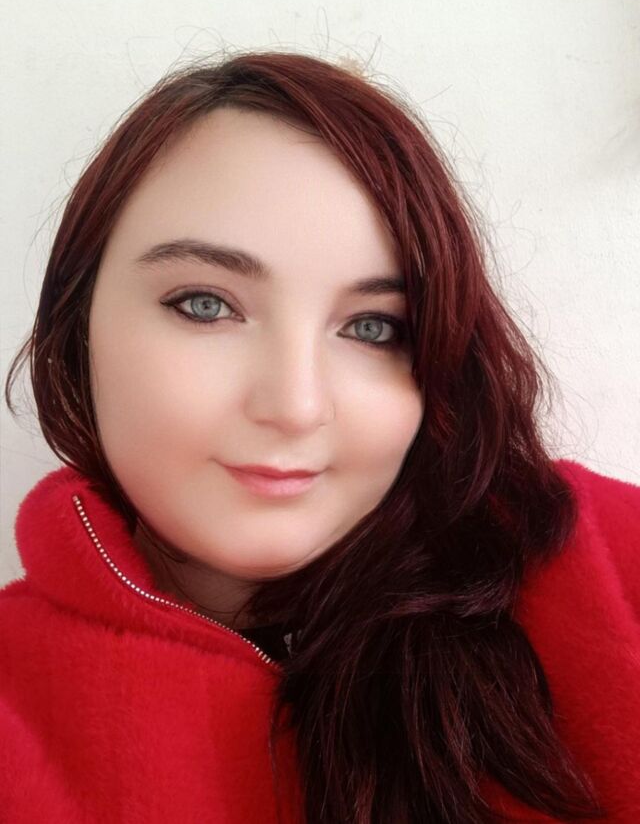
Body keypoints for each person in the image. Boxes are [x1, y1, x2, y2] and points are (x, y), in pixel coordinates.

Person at [1, 50, 638, 824]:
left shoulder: (600, 562)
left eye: (372, 327)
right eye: (205, 304)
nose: (296, 406)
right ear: (77, 326)